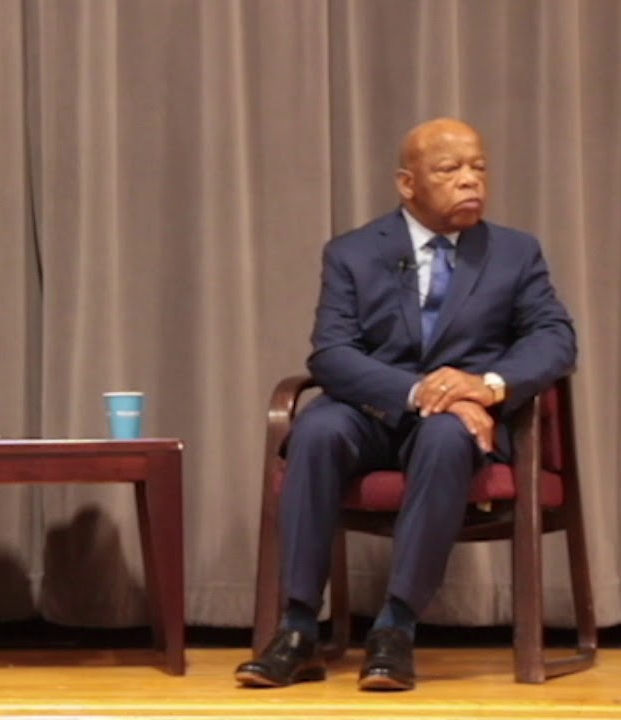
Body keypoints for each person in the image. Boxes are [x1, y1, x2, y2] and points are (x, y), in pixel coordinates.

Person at [234, 118, 575, 691]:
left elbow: (555, 339)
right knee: (314, 430)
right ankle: (296, 630)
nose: (470, 181)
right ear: (408, 183)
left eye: (478, 168)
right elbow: (332, 354)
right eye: (450, 169)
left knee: (446, 435)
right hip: (374, 412)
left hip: (467, 425)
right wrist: (422, 394)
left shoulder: (515, 253)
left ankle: (395, 628)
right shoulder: (353, 252)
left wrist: (485, 387)